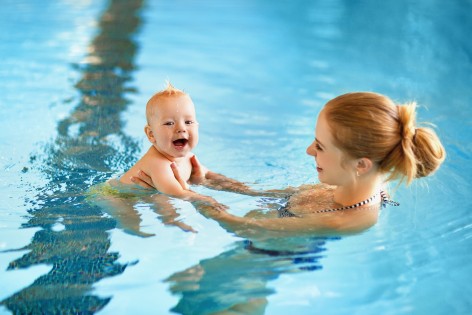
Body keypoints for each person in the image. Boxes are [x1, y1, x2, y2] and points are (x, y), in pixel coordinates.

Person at [132, 92, 446, 236]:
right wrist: (210, 180)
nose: (309, 150)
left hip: (269, 259)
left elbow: (245, 228)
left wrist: (197, 201)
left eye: (320, 146)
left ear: (361, 164)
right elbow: (269, 194)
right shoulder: (352, 184)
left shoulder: (346, 219)